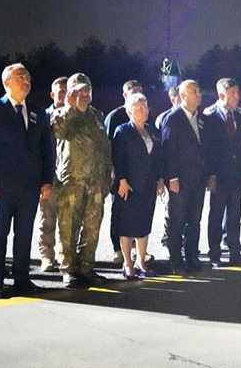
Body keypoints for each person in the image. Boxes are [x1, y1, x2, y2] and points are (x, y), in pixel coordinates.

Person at [0, 64, 55, 298]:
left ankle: (22, 278)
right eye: (21, 76)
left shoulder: (38, 112)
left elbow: (46, 149)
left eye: (28, 76)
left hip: (30, 186)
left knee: (24, 233)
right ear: (7, 82)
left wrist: (46, 180)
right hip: (1, 186)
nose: (26, 80)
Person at [52, 73, 113, 289]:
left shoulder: (97, 115)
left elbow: (105, 147)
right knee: (68, 227)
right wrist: (70, 108)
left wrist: (108, 175)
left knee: (92, 226)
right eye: (79, 91)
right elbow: (58, 132)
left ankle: (87, 267)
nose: (85, 95)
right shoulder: (62, 114)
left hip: (96, 182)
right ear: (70, 93)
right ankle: (69, 269)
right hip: (71, 181)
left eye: (87, 90)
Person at [111, 93, 164, 279]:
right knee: (127, 225)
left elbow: (158, 158)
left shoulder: (152, 131)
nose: (144, 110)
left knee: (144, 224)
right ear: (129, 110)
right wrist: (122, 180)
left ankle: (141, 261)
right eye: (139, 107)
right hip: (129, 186)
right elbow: (118, 157)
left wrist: (159, 179)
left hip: (148, 185)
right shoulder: (122, 131)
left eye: (145, 106)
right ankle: (128, 263)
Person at [202, 78, 241, 267]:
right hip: (219, 176)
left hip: (237, 175)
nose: (237, 97)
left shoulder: (240, 116)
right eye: (233, 93)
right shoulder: (209, 116)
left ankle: (234, 252)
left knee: (234, 216)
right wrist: (211, 175)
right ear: (222, 94)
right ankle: (215, 255)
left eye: (237, 93)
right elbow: (207, 149)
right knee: (216, 215)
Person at [160, 80, 206, 273]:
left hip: (198, 179)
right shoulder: (173, 118)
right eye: (194, 91)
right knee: (177, 221)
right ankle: (176, 260)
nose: (199, 94)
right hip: (180, 180)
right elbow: (168, 150)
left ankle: (192, 256)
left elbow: (206, 148)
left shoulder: (201, 118)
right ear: (184, 96)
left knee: (194, 220)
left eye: (199, 90)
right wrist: (172, 177)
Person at [104, 79, 143, 264]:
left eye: (139, 91)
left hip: (140, 175)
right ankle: (117, 249)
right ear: (124, 94)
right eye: (132, 91)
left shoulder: (144, 113)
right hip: (120, 174)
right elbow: (110, 147)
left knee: (138, 211)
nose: (136, 94)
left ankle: (137, 249)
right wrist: (117, 176)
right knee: (119, 211)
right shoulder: (115, 116)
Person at [38, 76, 67, 272]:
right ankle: (46, 256)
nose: (64, 94)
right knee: (46, 220)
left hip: (70, 177)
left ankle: (66, 256)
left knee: (68, 221)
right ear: (52, 94)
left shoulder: (76, 115)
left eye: (67, 90)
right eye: (61, 91)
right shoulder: (43, 116)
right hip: (49, 175)